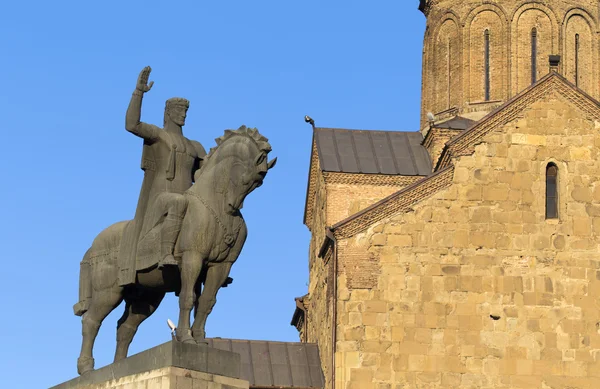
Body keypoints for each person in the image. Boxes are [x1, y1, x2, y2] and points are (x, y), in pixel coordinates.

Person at [117, 66, 206, 287]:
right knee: (178, 201)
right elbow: (132, 124)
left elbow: (206, 175)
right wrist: (139, 92)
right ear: (168, 112)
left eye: (185, 111)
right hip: (160, 199)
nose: (183, 114)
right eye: (178, 110)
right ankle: (166, 254)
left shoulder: (195, 146)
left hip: (187, 198)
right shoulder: (158, 135)